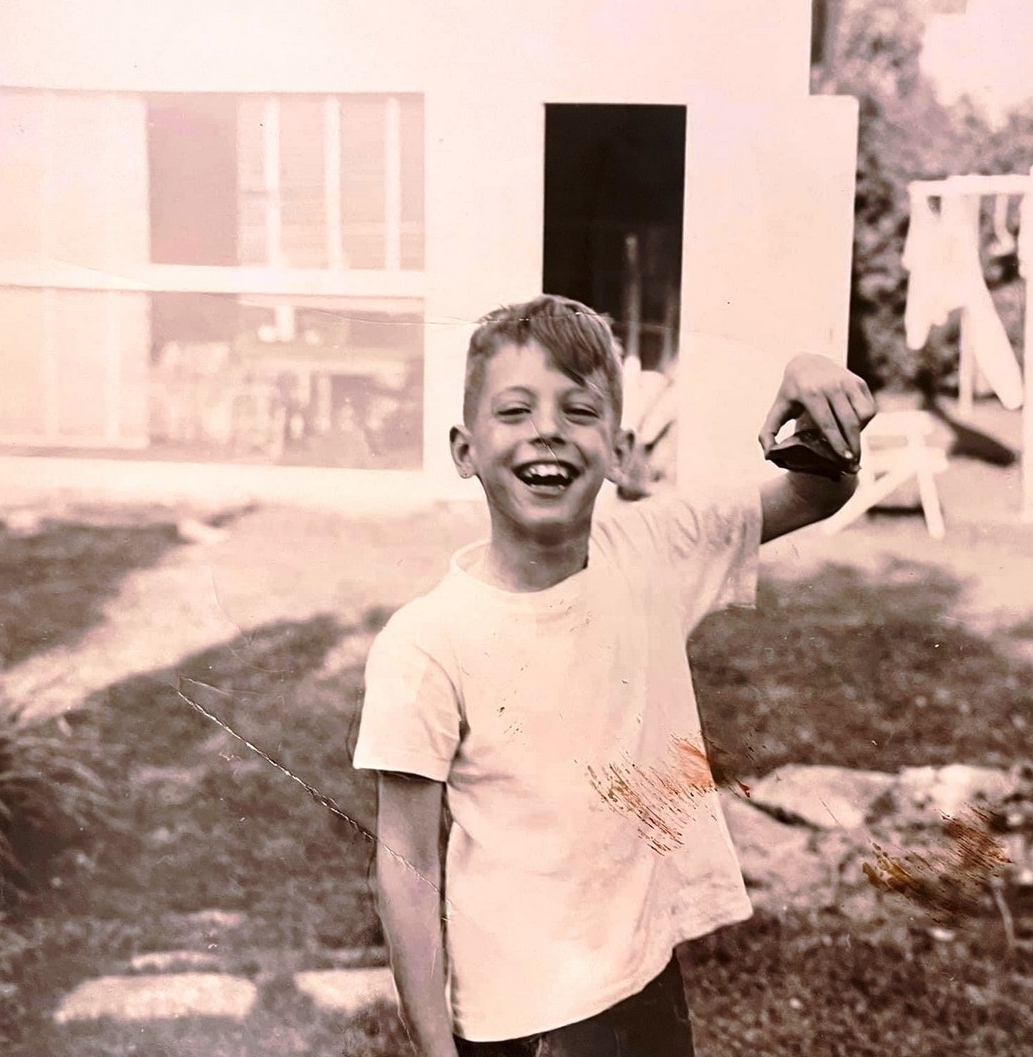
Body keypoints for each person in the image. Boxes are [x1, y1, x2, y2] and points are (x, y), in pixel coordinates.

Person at [353, 294, 874, 1056]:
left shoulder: (654, 551)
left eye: (579, 410)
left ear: (621, 451)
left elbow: (816, 492)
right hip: (521, 1017)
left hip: (645, 977)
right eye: (515, 411)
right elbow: (405, 868)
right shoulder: (425, 642)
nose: (547, 431)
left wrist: (813, 383)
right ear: (465, 449)